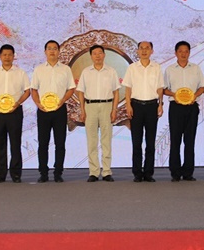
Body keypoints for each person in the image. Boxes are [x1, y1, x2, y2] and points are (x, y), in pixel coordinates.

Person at [31, 40, 76, 183]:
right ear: (45, 52)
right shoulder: (39, 69)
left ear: (58, 51)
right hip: (43, 110)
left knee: (60, 143)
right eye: (49, 48)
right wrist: (38, 104)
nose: (52, 51)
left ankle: (58, 172)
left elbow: (71, 88)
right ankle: (43, 173)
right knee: (43, 143)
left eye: (55, 48)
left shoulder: (65, 69)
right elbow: (33, 89)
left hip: (59, 109)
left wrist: (63, 100)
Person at [0, 44, 30, 183]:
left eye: (10, 55)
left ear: (14, 56)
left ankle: (16, 174)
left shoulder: (21, 73)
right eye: (4, 55)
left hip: (15, 111)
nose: (7, 57)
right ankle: (0, 174)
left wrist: (18, 103)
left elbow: (27, 91)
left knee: (15, 143)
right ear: (0, 56)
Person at [76, 45, 120, 182]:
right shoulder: (86, 72)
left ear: (104, 55)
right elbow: (80, 92)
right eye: (94, 53)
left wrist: (114, 109)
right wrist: (82, 109)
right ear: (91, 56)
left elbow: (116, 92)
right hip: (90, 106)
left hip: (107, 105)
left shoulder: (111, 71)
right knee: (92, 140)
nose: (97, 56)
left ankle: (106, 171)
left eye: (100, 53)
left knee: (106, 140)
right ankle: (94, 172)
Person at [164, 41, 204, 182]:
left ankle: (188, 172)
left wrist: (195, 95)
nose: (183, 54)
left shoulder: (195, 68)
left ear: (189, 53)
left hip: (191, 108)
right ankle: (175, 172)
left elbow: (202, 87)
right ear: (176, 53)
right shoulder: (170, 69)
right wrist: (174, 94)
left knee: (190, 140)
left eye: (186, 51)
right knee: (175, 140)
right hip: (175, 107)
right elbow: (164, 89)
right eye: (180, 51)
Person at [124, 41, 164, 182]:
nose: (144, 51)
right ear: (138, 51)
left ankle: (148, 173)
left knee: (150, 142)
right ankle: (137, 173)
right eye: (141, 48)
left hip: (152, 106)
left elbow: (160, 88)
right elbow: (128, 88)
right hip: (136, 106)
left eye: (147, 48)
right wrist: (128, 105)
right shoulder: (132, 68)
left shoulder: (156, 67)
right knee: (136, 141)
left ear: (152, 51)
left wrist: (160, 104)